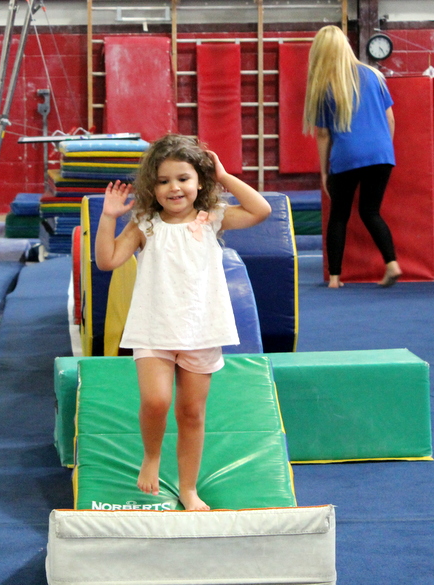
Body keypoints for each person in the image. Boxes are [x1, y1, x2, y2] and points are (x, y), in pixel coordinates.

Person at [95, 134, 271, 510]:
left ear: (200, 182)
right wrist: (109, 217)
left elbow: (260, 211)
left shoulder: (212, 219)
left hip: (201, 328)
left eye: (183, 178)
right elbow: (107, 261)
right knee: (156, 401)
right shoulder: (145, 223)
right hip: (154, 326)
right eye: (163, 181)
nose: (174, 188)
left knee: (191, 413)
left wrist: (224, 176)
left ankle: (188, 488)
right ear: (152, 186)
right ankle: (152, 456)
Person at [303, 25, 402, 288]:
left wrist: (324, 172)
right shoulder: (374, 75)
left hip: (347, 155)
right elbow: (390, 119)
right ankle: (392, 263)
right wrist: (383, 150)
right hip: (381, 153)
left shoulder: (324, 86)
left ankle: (335, 278)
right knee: (370, 211)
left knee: (339, 215)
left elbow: (323, 134)